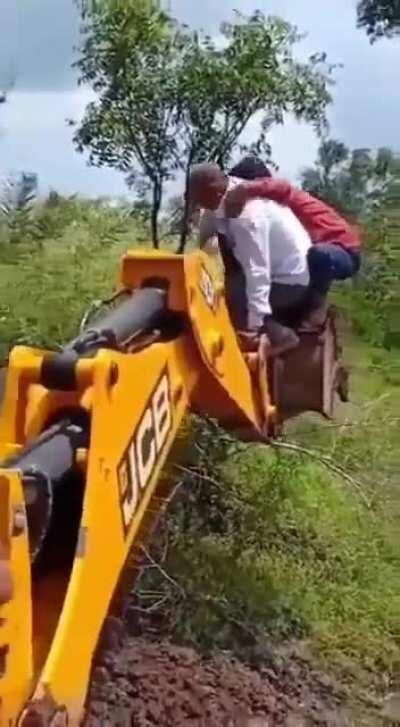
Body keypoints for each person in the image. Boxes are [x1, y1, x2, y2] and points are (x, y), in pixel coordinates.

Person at [189, 162, 314, 352]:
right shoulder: (228, 192)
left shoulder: (247, 216)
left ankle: (280, 336)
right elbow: (205, 243)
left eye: (200, 199)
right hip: (281, 269)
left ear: (213, 192)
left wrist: (254, 325)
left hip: (290, 281)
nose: (199, 205)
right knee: (223, 288)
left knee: (234, 295)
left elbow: (257, 272)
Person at [224, 158, 362, 315]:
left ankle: (314, 310)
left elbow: (282, 186)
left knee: (318, 256)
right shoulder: (269, 210)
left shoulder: (286, 197)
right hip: (324, 252)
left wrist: (244, 189)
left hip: (344, 251)